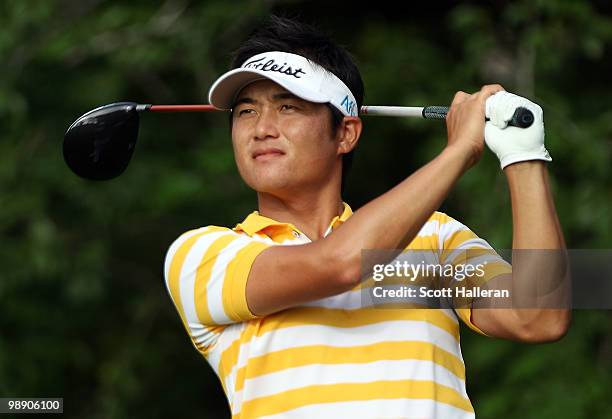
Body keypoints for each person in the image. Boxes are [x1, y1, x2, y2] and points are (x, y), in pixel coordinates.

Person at [163, 16, 570, 418]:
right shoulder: (202, 255)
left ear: (346, 133)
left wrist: (524, 156)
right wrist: (459, 151)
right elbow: (338, 264)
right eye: (246, 111)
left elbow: (538, 317)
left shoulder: (435, 238)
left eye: (287, 107)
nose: (262, 128)